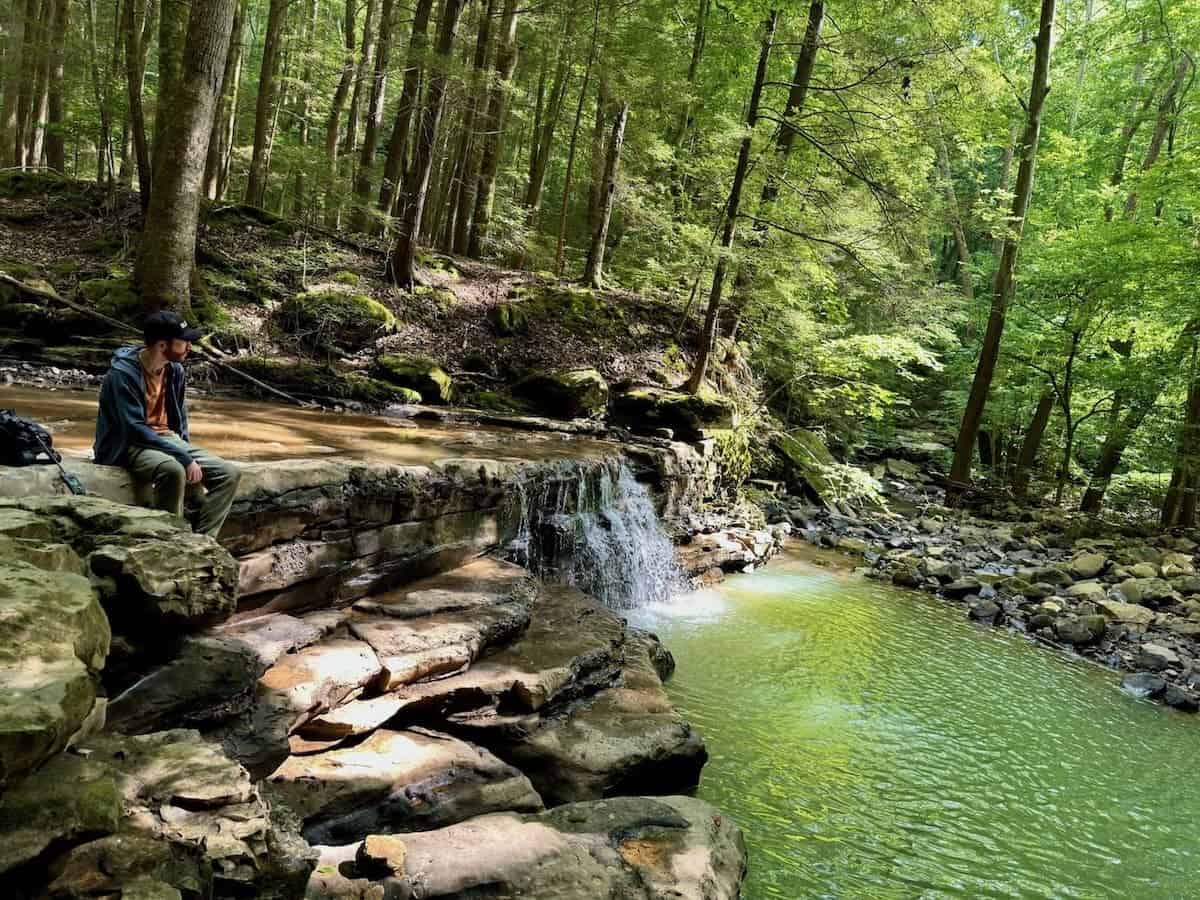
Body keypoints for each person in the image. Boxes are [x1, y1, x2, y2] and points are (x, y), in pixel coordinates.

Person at [93, 311, 241, 538]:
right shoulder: (121, 375)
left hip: (164, 438)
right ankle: (171, 539)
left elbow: (179, 418)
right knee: (173, 470)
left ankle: (204, 541)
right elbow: (133, 428)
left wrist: (185, 450)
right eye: (184, 342)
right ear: (163, 345)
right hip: (127, 443)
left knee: (229, 473)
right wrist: (183, 458)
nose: (189, 348)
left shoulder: (175, 370)